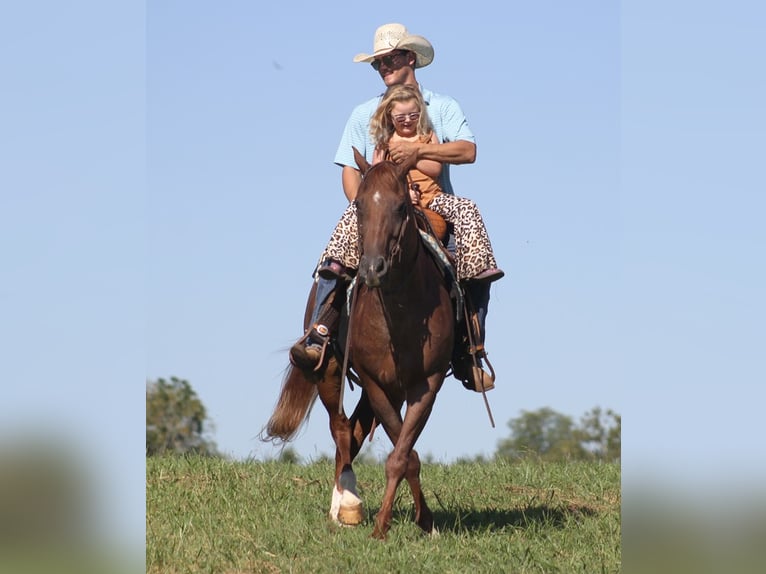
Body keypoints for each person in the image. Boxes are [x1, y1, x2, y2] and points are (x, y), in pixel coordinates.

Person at [290, 23, 503, 388]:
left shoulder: (442, 107)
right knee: (337, 253)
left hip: (434, 205)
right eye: (378, 63)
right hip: (378, 209)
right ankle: (318, 333)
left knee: (470, 257)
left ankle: (471, 350)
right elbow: (349, 171)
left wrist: (418, 150)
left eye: (389, 59)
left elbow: (468, 151)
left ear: (410, 58)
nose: (383, 67)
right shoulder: (364, 114)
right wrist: (371, 207)